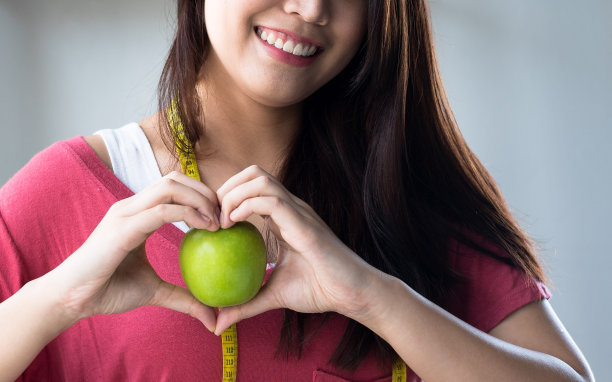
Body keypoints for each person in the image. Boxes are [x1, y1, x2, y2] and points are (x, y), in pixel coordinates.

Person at [0, 0, 595, 381]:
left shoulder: (407, 195)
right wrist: (54, 302)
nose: (310, 7)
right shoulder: (63, 191)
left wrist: (370, 296)